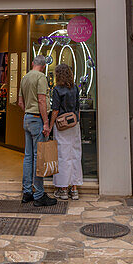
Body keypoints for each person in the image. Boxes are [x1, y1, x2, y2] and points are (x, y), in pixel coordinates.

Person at [18, 55, 57, 207]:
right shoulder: (41, 77)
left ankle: (27, 192)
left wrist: (28, 112)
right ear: (44, 66)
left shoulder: (24, 78)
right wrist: (46, 122)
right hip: (37, 118)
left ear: (33, 63)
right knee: (38, 157)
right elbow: (42, 100)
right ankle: (39, 195)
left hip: (27, 118)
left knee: (28, 156)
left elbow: (20, 102)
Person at [49, 63, 83, 200]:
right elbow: (78, 107)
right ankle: (74, 189)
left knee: (63, 156)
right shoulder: (75, 88)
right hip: (74, 125)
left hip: (61, 126)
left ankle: (63, 189)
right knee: (75, 154)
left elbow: (55, 110)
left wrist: (50, 126)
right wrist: (76, 121)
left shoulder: (57, 89)